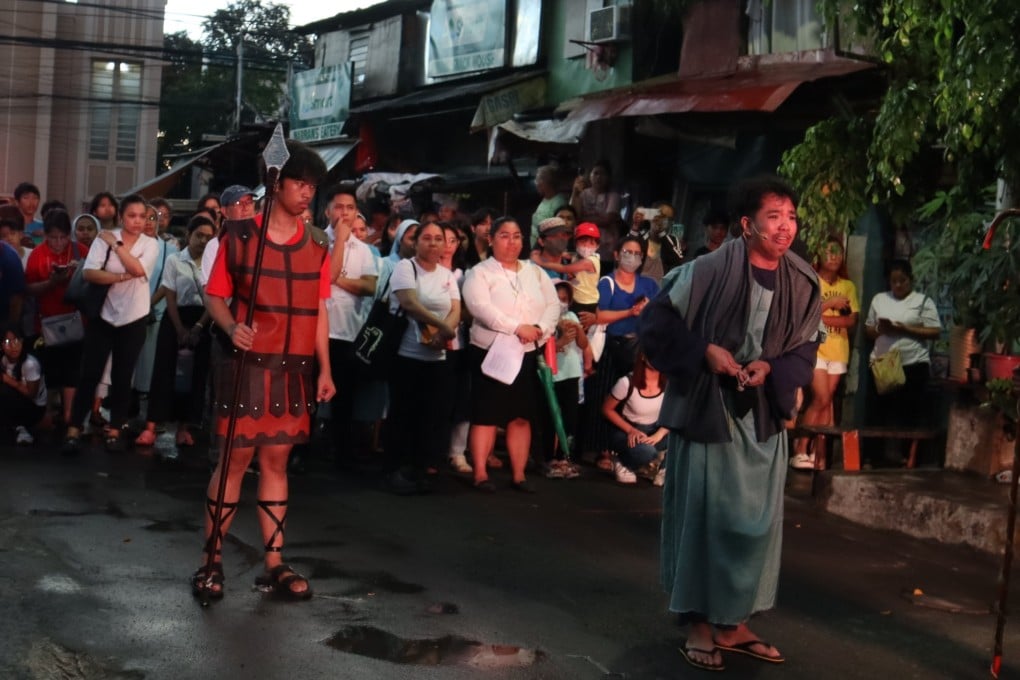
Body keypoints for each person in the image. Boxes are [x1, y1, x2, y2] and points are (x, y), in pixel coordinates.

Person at [640, 175, 822, 671]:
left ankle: (734, 622)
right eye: (773, 217)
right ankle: (699, 623)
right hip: (710, 412)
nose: (785, 227)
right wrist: (705, 351)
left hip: (761, 417)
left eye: (790, 217)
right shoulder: (706, 270)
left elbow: (806, 347)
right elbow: (655, 325)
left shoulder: (802, 281)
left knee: (754, 529)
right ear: (747, 224)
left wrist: (772, 368)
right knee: (705, 523)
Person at [193, 140, 335, 601]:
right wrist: (231, 326)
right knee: (234, 463)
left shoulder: (319, 243)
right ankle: (211, 561)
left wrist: (325, 370)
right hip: (247, 367)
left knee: (277, 463)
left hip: (294, 370)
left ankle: (275, 563)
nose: (307, 192)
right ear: (275, 183)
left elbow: (319, 309)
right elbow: (214, 294)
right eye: (299, 183)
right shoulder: (237, 237)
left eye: (312, 185)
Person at [462, 217, 560, 492]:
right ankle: (480, 473)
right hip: (490, 350)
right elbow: (480, 308)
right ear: (491, 239)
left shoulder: (535, 272)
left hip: (527, 351)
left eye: (516, 236)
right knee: (486, 415)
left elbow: (553, 305)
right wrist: (517, 327)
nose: (511, 242)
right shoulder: (480, 272)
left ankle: (519, 474)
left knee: (521, 416)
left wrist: (539, 329)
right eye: (504, 235)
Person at [62, 194, 159, 454]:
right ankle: (74, 428)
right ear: (121, 216)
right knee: (90, 373)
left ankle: (115, 428)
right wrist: (121, 276)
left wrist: (116, 246)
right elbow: (89, 273)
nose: (138, 221)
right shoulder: (102, 238)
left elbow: (138, 269)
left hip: (134, 316)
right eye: (132, 215)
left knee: (122, 375)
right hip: (103, 314)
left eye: (142, 216)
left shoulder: (149, 244)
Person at [383, 220, 461, 493]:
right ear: (416, 243)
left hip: (437, 357)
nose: (433, 243)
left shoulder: (447, 275)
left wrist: (446, 330)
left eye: (438, 238)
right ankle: (395, 468)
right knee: (403, 411)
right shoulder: (406, 267)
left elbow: (455, 308)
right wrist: (442, 327)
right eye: (426, 238)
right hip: (406, 354)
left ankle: (420, 468)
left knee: (430, 414)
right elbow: (409, 303)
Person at [134, 215, 216, 447]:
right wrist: (179, 327)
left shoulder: (214, 263)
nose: (203, 241)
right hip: (175, 318)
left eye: (208, 238)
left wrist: (199, 326)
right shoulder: (175, 260)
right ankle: (152, 426)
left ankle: (184, 427)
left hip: (203, 318)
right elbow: (169, 294)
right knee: (164, 371)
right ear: (189, 235)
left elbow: (214, 299)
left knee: (196, 375)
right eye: (199, 235)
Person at [584, 235, 659, 471]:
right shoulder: (607, 283)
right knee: (605, 396)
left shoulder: (649, 285)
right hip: (611, 346)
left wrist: (647, 311)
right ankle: (603, 450)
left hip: (639, 349)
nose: (632, 258)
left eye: (637, 254)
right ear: (616, 254)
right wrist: (630, 312)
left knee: (630, 399)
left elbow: (660, 313)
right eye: (627, 252)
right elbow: (598, 316)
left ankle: (629, 449)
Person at [322, 186, 378, 467]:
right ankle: (300, 452)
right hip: (319, 330)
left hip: (349, 332)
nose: (344, 213)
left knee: (344, 397)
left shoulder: (364, 250)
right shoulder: (317, 240)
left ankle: (342, 453)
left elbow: (369, 286)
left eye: (350, 208)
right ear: (327, 211)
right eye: (339, 207)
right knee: (308, 395)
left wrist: (335, 279)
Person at [791, 236, 859, 469]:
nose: (834, 256)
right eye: (829, 252)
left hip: (839, 350)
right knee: (820, 398)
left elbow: (850, 320)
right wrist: (830, 304)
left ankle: (815, 452)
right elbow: (805, 315)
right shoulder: (812, 280)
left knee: (826, 401)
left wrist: (821, 318)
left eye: (838, 252)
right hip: (816, 348)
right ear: (819, 255)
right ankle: (800, 448)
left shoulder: (848, 286)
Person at [864, 259, 941, 465]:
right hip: (883, 363)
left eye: (902, 281)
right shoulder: (879, 299)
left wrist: (905, 329)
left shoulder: (923, 301)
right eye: (894, 281)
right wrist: (881, 329)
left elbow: (935, 331)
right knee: (878, 412)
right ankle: (874, 457)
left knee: (910, 412)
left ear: (911, 280)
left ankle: (909, 458)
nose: (898, 285)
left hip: (913, 363)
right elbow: (868, 329)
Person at [24, 209, 88, 425]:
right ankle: (48, 411)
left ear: (69, 234)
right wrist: (52, 282)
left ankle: (69, 413)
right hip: (47, 321)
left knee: (73, 368)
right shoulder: (37, 254)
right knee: (49, 367)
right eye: (53, 237)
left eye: (63, 237)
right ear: (45, 235)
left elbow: (93, 281)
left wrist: (79, 273)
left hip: (76, 319)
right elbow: (29, 289)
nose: (58, 242)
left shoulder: (80, 250)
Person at [602, 352, 668, 485]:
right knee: (646, 452)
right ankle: (624, 462)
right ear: (643, 356)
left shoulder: (668, 383)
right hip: (628, 430)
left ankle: (662, 469)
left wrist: (659, 434)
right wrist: (631, 430)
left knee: (683, 435)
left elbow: (674, 414)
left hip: (655, 429)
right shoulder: (627, 382)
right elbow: (606, 409)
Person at [542, 281, 586, 479]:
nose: (562, 303)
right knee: (550, 416)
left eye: (565, 299)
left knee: (570, 417)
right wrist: (560, 342)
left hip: (571, 372)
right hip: (552, 374)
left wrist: (578, 329)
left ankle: (564, 457)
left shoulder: (571, 317)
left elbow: (583, 344)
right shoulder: (544, 320)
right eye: (557, 299)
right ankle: (548, 458)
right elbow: (545, 348)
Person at [0, 324, 47, 444]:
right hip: (17, 401)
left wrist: (8, 380)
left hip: (34, 408)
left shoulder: (29, 364)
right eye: (7, 342)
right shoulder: (4, 360)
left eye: (16, 340)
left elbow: (32, 394)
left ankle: (22, 429)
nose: (13, 346)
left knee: (4, 390)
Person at [570, 160, 621, 231]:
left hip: (605, 236)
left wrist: (581, 219)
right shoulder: (583, 194)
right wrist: (574, 193)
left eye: (603, 174)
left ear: (608, 177)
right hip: (583, 232)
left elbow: (607, 221)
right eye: (595, 173)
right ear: (590, 176)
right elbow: (573, 215)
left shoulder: (614, 196)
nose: (599, 177)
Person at [531, 165, 568, 246]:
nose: (536, 183)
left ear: (546, 182)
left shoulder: (559, 202)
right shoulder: (546, 199)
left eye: (538, 180)